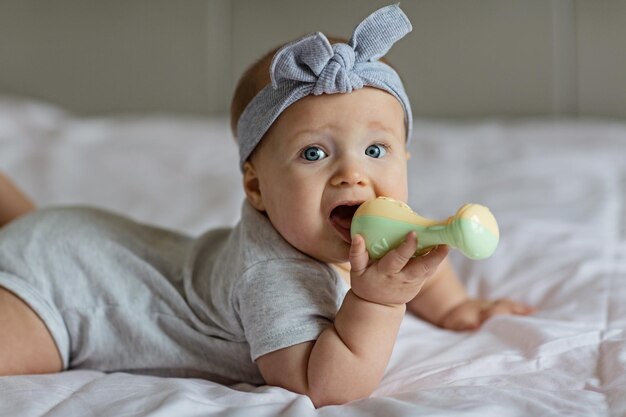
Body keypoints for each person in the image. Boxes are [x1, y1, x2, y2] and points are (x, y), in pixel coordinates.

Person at [0, 5, 533, 407]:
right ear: (256, 189)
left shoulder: (360, 222)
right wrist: (377, 304)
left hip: (85, 239)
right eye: (314, 153)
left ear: (406, 158)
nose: (353, 173)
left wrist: (455, 307)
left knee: (35, 233)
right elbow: (319, 385)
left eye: (376, 150)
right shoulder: (273, 274)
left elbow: (413, 257)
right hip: (65, 291)